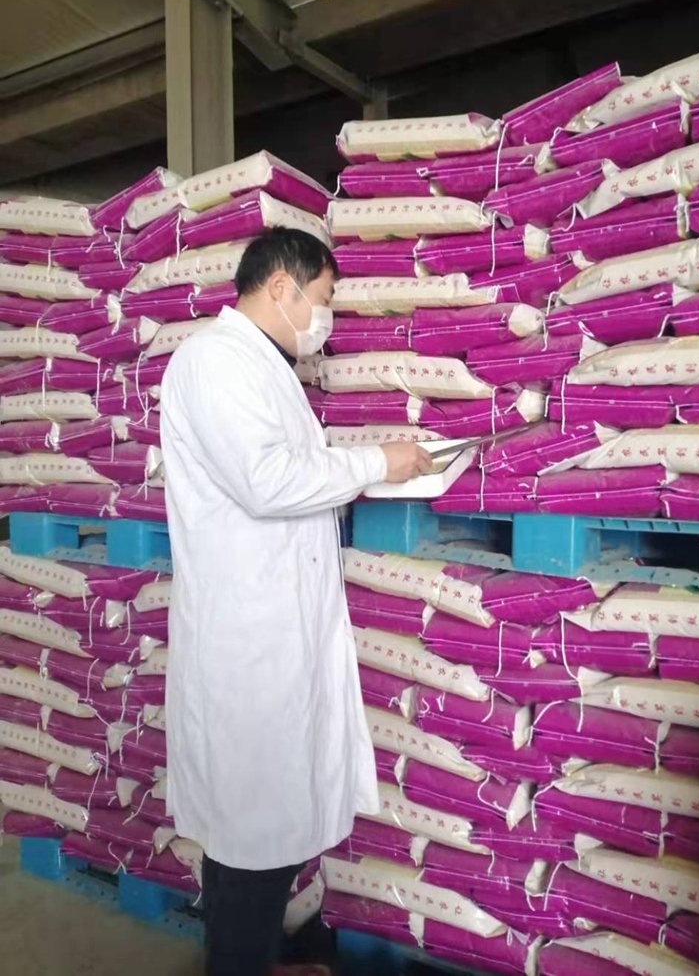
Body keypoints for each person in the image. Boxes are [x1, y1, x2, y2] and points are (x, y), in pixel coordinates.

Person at [159, 227, 432, 976]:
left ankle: (250, 961)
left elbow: (293, 469)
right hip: (249, 641)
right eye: (323, 298)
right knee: (253, 836)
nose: (325, 317)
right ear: (281, 286)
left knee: (257, 834)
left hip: (280, 632)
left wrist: (366, 463)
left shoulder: (261, 366)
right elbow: (267, 481)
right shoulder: (214, 361)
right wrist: (379, 462)